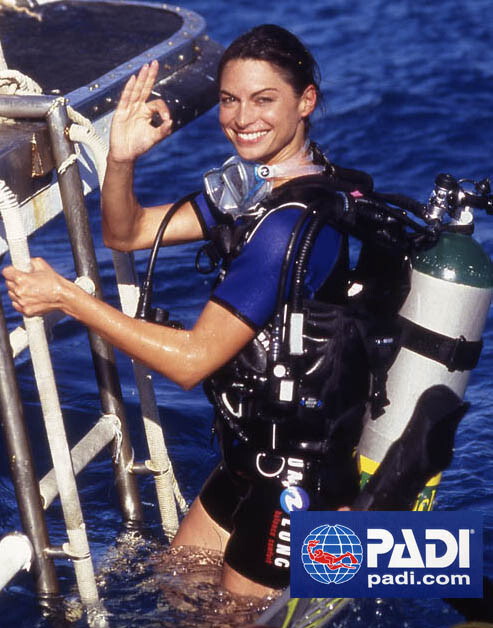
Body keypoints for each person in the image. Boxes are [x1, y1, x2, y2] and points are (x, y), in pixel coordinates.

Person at [2, 25, 379, 597]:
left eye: (263, 99)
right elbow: (127, 232)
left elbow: (190, 362)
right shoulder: (259, 190)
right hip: (247, 459)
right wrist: (121, 157)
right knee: (175, 589)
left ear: (306, 102)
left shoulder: (287, 227)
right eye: (229, 100)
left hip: (295, 480)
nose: (241, 118)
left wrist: (68, 299)